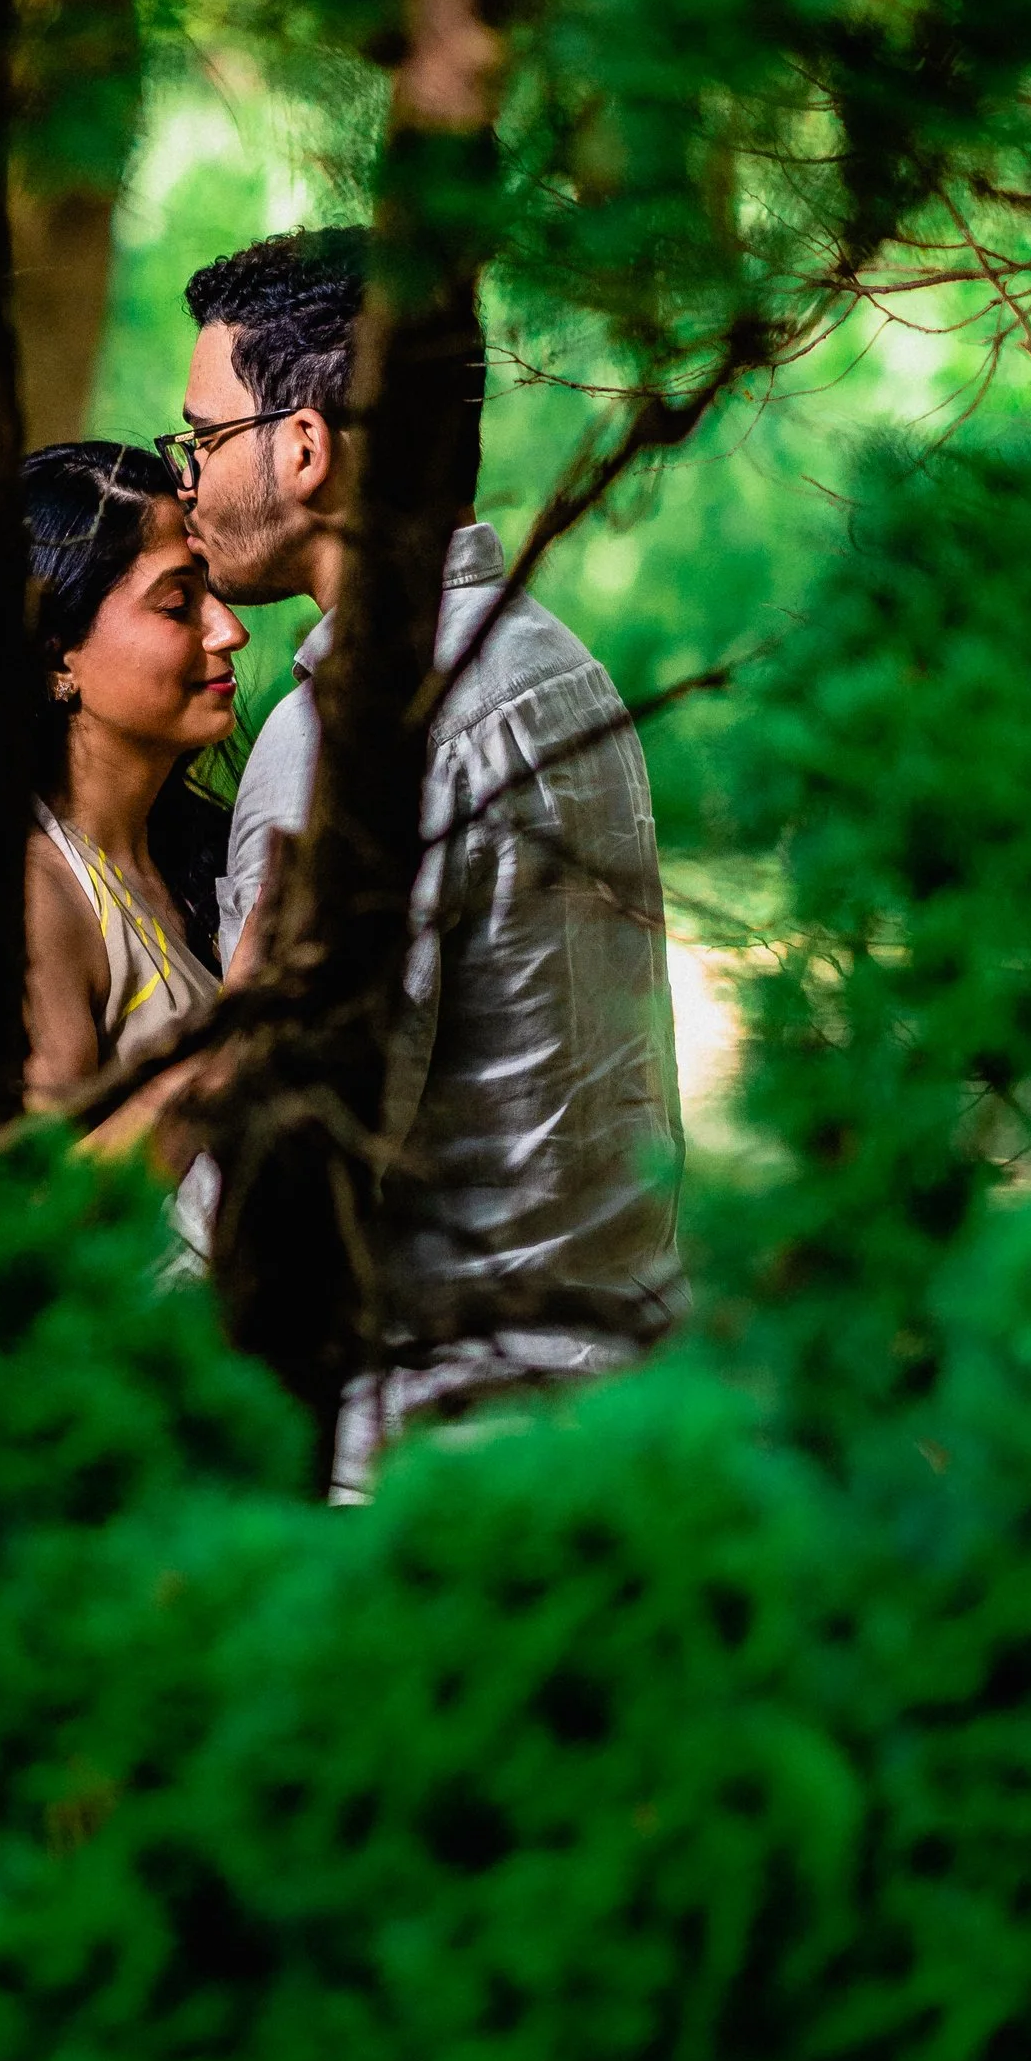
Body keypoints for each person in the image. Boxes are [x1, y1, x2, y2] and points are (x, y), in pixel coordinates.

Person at [169, 229, 687, 1491]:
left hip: (419, 1464)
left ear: (301, 449)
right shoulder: (560, 668)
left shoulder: (349, 734)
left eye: (200, 439)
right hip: (606, 1419)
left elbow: (299, 1173)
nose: (184, 481)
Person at [0, 438, 246, 1111]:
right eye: (179, 604)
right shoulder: (28, 904)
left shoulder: (196, 848)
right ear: (55, 657)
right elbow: (34, 1203)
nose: (229, 629)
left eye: (212, 590)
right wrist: (236, 1039)